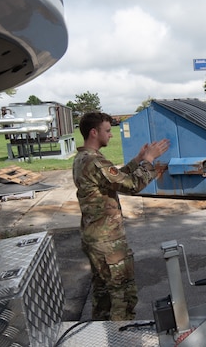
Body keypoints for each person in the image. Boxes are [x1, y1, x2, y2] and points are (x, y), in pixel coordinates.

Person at [72, 111, 170, 321]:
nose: (111, 135)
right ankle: (121, 342)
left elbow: (115, 178)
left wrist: (137, 160)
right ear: (93, 132)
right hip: (108, 243)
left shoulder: (83, 158)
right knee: (122, 295)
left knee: (104, 295)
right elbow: (131, 185)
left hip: (95, 239)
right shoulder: (95, 162)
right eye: (107, 131)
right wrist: (150, 160)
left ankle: (104, 337)